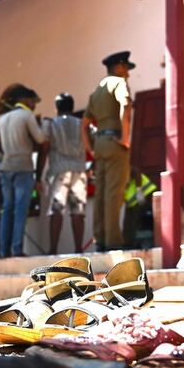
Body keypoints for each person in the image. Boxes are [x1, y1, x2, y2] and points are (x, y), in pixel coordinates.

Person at [0, 84, 47, 257]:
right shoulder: (27, 115)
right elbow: (40, 139)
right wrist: (43, 127)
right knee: (20, 209)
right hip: (23, 167)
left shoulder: (3, 119)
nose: (34, 105)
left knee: (7, 209)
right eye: (33, 101)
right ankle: (17, 249)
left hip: (5, 168)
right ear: (25, 100)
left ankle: (4, 251)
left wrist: (0, 157)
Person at [83, 51, 134, 251]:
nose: (128, 73)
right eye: (126, 68)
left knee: (101, 194)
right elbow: (126, 106)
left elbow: (84, 124)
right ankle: (113, 241)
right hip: (115, 142)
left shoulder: (97, 91)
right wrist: (125, 138)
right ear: (119, 67)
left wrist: (90, 148)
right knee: (115, 193)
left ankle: (100, 240)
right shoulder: (119, 83)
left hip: (100, 144)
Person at [40, 92, 88, 254]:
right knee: (77, 211)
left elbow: (44, 147)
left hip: (58, 169)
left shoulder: (51, 124)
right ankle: (78, 249)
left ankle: (53, 249)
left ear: (57, 108)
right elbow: (94, 139)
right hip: (79, 169)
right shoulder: (82, 123)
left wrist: (38, 174)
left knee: (56, 210)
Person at [122, 166, 157, 249]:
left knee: (140, 222)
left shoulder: (121, 167)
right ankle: (129, 245)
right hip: (133, 203)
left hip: (146, 194)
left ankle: (134, 244)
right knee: (129, 224)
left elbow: (136, 171)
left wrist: (139, 190)